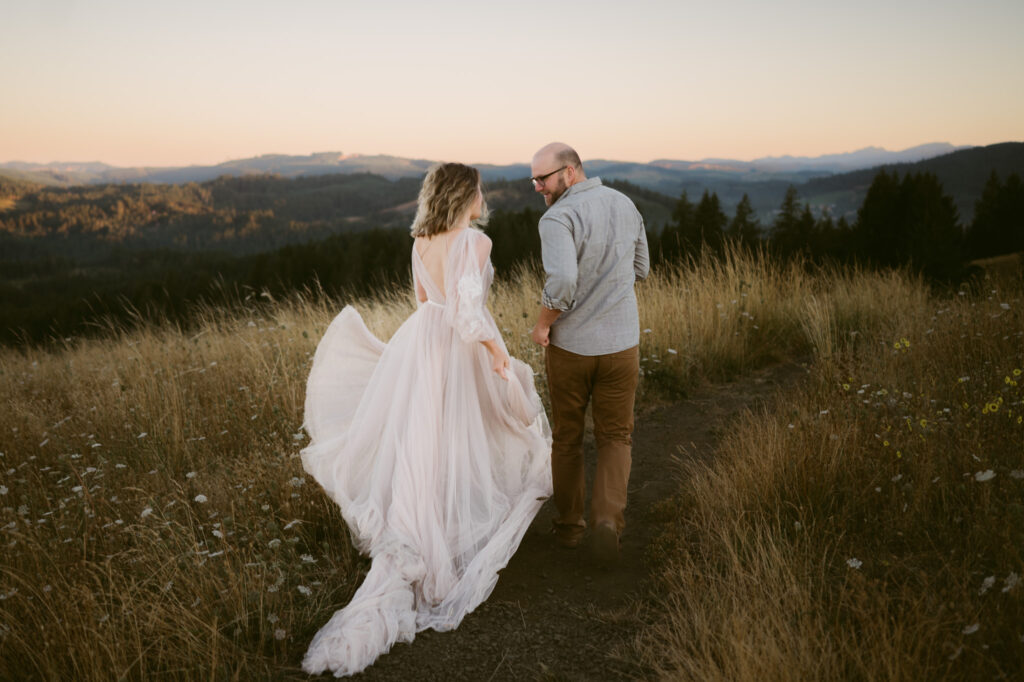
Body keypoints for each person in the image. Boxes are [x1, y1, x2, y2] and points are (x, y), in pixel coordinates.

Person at [300, 162, 552, 677]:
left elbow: (422, 301)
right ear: (465, 195)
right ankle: (454, 532)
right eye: (479, 189)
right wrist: (495, 352)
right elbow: (467, 314)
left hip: (420, 345)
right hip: (458, 349)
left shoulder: (420, 242)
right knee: (478, 429)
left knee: (423, 443)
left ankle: (423, 530)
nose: (484, 197)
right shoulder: (474, 244)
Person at [529, 142, 649, 564]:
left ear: (572, 171)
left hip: (572, 348)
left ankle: (570, 530)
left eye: (544, 179)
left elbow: (561, 281)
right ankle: (606, 524)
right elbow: (641, 268)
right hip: (622, 344)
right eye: (535, 180)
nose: (539, 188)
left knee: (568, 437)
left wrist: (542, 324)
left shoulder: (558, 217)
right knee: (616, 436)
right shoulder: (625, 203)